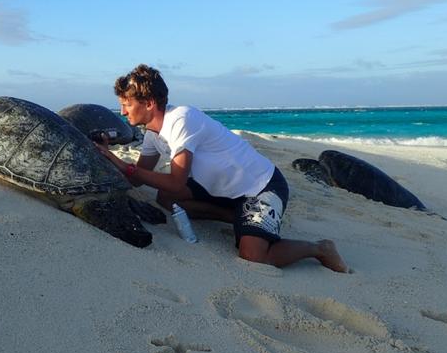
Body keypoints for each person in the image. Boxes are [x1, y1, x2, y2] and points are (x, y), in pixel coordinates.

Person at [96, 64, 348, 272]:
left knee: (253, 256)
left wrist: (126, 168)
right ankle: (238, 217)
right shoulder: (153, 133)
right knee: (167, 198)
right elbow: (141, 179)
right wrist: (107, 157)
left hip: (261, 186)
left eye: (126, 104)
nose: (122, 111)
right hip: (221, 189)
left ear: (149, 102)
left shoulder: (181, 120)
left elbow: (175, 181)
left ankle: (319, 248)